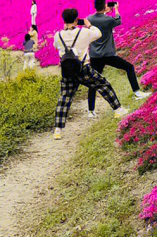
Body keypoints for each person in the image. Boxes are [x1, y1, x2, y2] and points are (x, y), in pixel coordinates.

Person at [52, 8, 125, 139]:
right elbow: (98, 34)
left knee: (64, 98)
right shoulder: (84, 32)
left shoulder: (58, 35)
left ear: (63, 20)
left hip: (67, 71)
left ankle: (58, 129)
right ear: (76, 19)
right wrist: (88, 24)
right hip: (83, 68)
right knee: (103, 85)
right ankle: (118, 110)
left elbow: (56, 46)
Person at [86, 0, 150, 117]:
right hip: (108, 55)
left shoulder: (89, 19)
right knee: (129, 67)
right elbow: (118, 20)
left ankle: (91, 111)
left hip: (95, 56)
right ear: (105, 6)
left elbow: (95, 20)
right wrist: (115, 9)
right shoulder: (108, 20)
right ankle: (137, 92)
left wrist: (105, 12)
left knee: (93, 82)